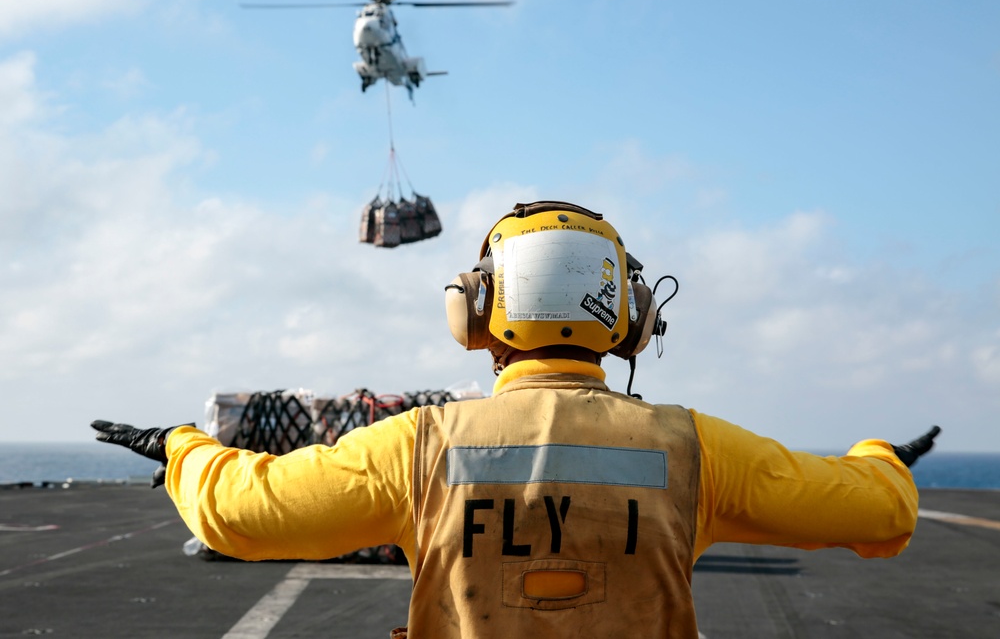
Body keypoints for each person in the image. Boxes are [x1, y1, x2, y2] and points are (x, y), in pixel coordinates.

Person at [93, 200, 940, 639]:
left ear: (478, 316)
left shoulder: (419, 447)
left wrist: (182, 448)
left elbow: (242, 516)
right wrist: (880, 459)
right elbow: (876, 511)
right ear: (632, 320)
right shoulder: (694, 451)